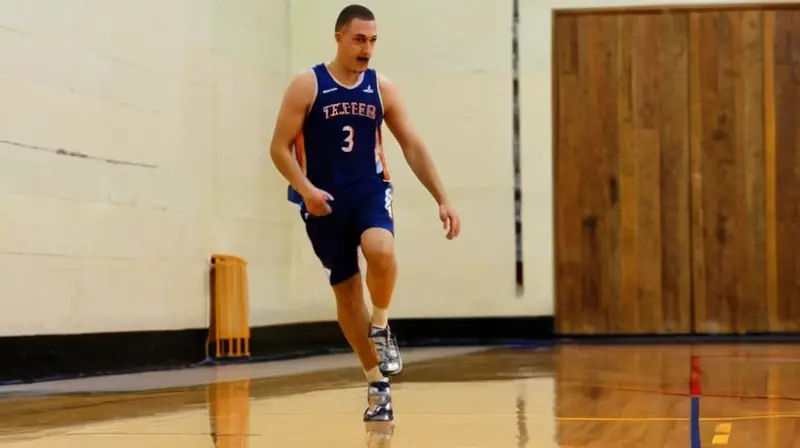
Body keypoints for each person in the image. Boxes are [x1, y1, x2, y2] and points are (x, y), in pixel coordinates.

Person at [269, 4, 461, 422]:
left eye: (373, 40)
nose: (366, 49)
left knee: (381, 249)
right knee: (346, 292)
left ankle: (382, 324)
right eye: (359, 39)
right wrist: (306, 191)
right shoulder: (308, 84)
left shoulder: (381, 88)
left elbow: (411, 144)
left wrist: (442, 197)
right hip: (322, 201)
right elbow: (279, 148)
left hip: (369, 191)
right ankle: (377, 383)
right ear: (338, 37)